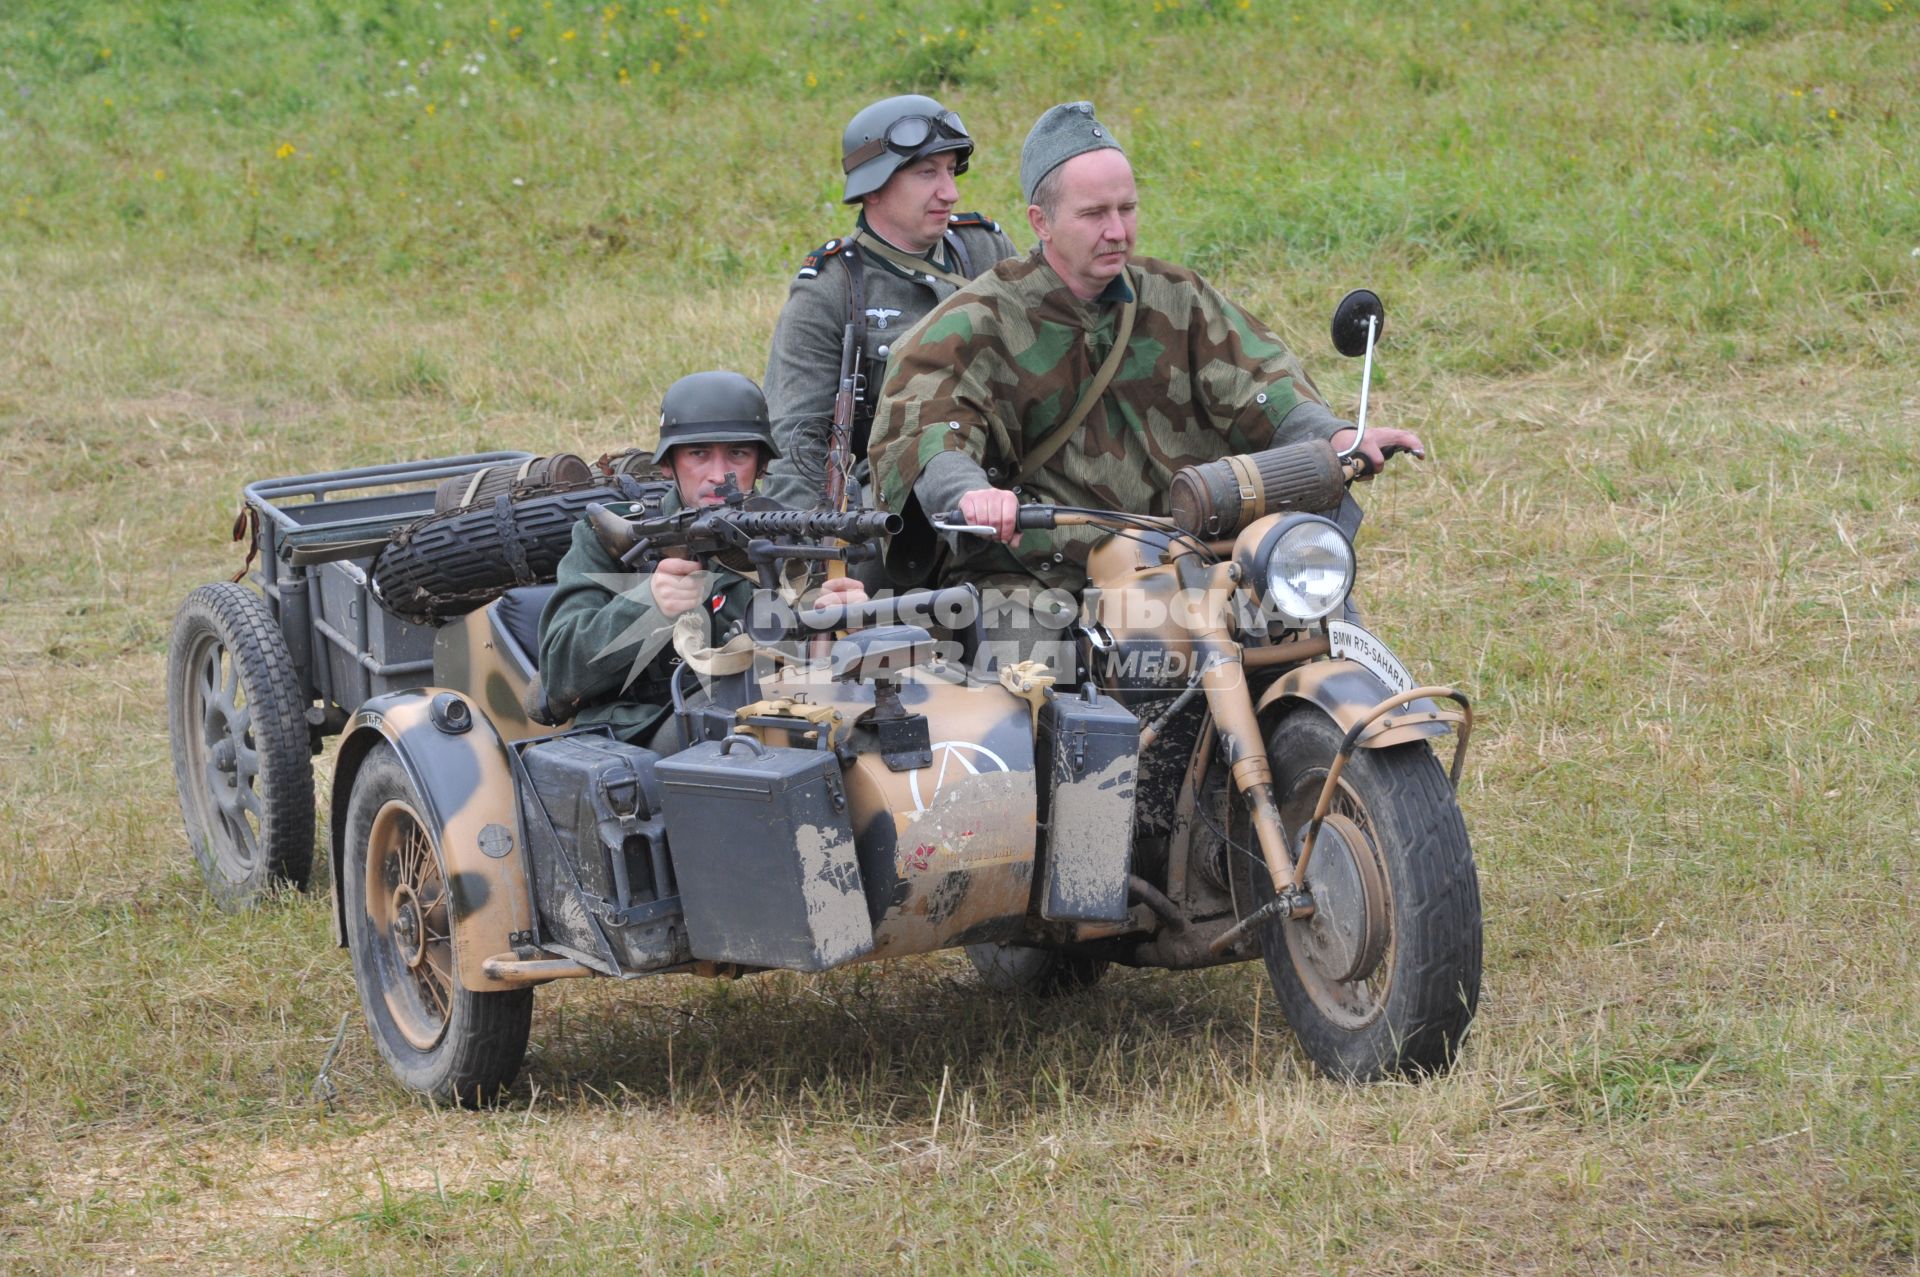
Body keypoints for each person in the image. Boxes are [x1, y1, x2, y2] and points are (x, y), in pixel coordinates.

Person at [866, 101, 1423, 661]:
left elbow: (1261, 380)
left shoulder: (1176, 297)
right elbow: (931, 427)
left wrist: (1333, 436)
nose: (1117, 231)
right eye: (1094, 214)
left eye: (1127, 208)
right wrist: (971, 495)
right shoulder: (974, 322)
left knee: (1312, 624)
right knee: (1025, 688)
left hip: (1190, 549)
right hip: (1040, 571)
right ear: (1041, 222)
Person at [538, 371, 867, 750]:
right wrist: (648, 603)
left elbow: (829, 676)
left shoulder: (797, 540)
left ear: (760, 465)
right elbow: (559, 672)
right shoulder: (615, 536)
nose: (718, 474)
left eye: (738, 454)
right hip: (648, 738)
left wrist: (854, 633)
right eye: (698, 454)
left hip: (779, 725)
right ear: (667, 464)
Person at [759, 94, 1018, 514]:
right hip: (897, 515)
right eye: (927, 173)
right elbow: (796, 441)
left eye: (951, 171)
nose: (949, 192)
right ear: (873, 188)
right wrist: (804, 559)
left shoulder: (985, 250)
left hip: (1007, 487)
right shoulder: (830, 290)